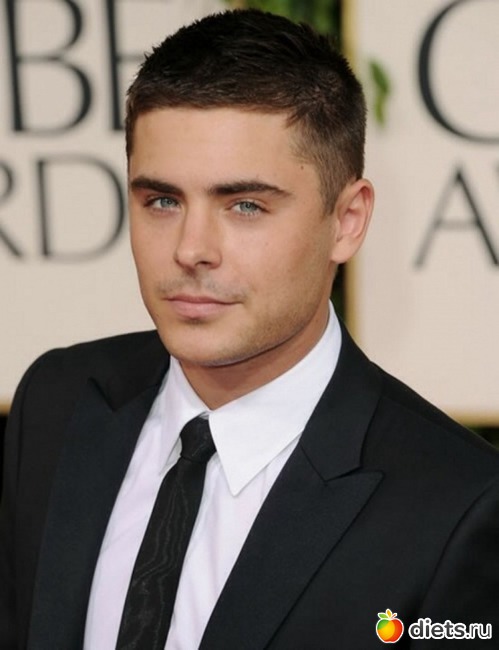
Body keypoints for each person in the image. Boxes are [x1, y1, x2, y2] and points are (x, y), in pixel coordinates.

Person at [1, 8, 499, 650]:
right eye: (162, 200)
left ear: (347, 221)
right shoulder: (59, 401)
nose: (191, 249)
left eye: (244, 205)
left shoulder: (458, 507)